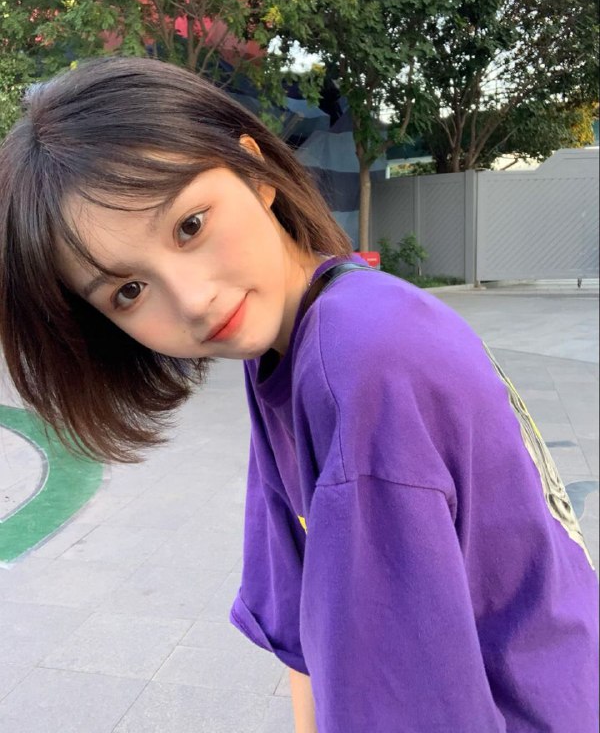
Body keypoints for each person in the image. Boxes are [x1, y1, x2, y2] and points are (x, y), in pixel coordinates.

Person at [0, 57, 597, 733]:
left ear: (254, 173)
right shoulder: (287, 340)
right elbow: (304, 622)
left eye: (190, 225)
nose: (193, 300)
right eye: (129, 291)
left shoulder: (362, 359)